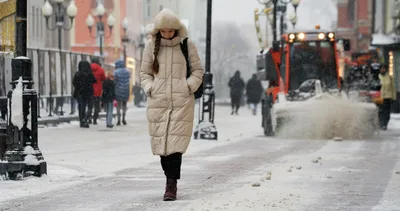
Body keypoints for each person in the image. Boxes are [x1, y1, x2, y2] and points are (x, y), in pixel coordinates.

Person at [140, 8, 204, 201]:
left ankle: (171, 184)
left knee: (175, 146)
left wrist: (188, 87)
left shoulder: (187, 45)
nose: (167, 34)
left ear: (176, 29)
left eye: (170, 30)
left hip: (181, 101)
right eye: (163, 31)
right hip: (158, 101)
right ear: (159, 30)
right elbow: (144, 73)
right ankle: (169, 176)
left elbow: (198, 71)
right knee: (162, 146)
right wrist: (150, 88)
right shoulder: (151, 46)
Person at [72, 61, 96, 128]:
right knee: (90, 107)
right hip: (89, 92)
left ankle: (81, 121)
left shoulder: (77, 74)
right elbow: (94, 81)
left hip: (80, 93)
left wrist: (79, 86)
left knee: (81, 107)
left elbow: (74, 83)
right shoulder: (90, 74)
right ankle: (85, 119)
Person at [87, 57, 106, 125]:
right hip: (98, 91)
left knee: (90, 106)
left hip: (89, 90)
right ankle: (95, 119)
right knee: (96, 106)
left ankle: (89, 118)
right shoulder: (101, 70)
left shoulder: (88, 69)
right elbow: (104, 78)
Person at [378, 64, 396, 130]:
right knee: (380, 111)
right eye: (381, 68)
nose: (382, 70)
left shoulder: (390, 77)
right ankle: (380, 123)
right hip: (379, 97)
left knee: (386, 112)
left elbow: (393, 88)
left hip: (387, 97)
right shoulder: (378, 76)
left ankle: (384, 124)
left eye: (384, 68)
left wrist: (393, 97)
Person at [113, 60, 131, 125]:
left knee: (118, 105)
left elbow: (114, 81)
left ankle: (118, 120)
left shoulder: (116, 72)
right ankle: (123, 118)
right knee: (124, 105)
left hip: (118, 90)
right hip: (126, 90)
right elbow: (129, 80)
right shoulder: (127, 72)